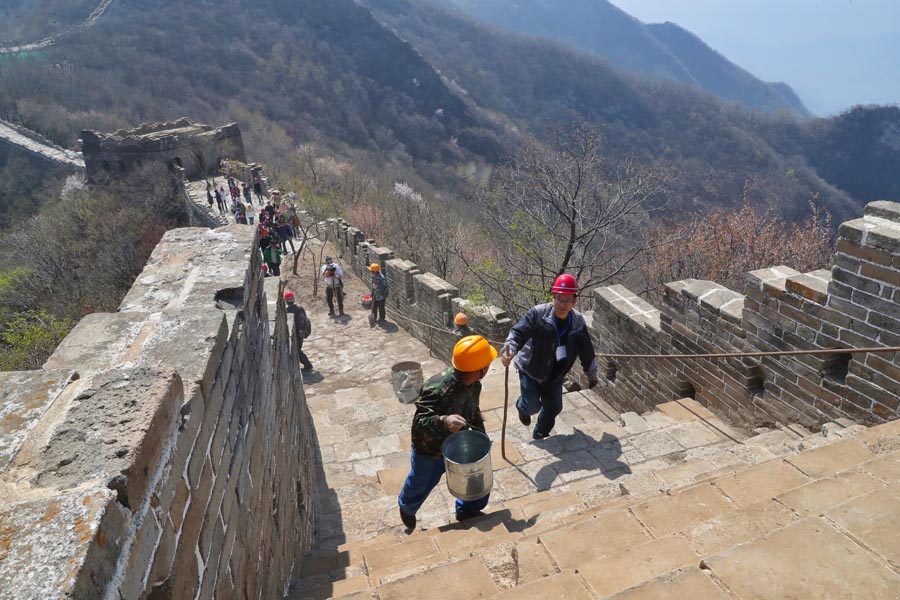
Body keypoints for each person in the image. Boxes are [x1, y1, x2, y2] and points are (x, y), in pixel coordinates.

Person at [398, 335, 498, 529]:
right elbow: (419, 423)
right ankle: (407, 507)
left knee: (476, 481)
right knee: (421, 482)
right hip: (431, 449)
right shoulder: (436, 388)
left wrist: (481, 436)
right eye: (487, 364)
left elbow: (473, 410)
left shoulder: (474, 384)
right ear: (480, 370)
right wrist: (445, 420)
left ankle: (467, 511)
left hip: (461, 444)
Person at [500, 274, 599, 440]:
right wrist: (509, 350)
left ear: (574, 301)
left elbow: (586, 351)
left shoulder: (577, 322)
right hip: (532, 370)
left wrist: (592, 374)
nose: (562, 304)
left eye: (567, 300)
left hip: (556, 374)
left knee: (554, 407)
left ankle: (540, 432)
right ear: (553, 297)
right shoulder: (538, 314)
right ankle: (522, 406)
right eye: (559, 298)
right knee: (532, 406)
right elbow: (518, 332)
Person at [285, 290, 314, 372]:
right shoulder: (300, 308)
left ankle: (307, 365)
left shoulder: (287, 311)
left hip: (294, 334)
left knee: (297, 351)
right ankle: (306, 364)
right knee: (297, 350)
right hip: (301, 333)